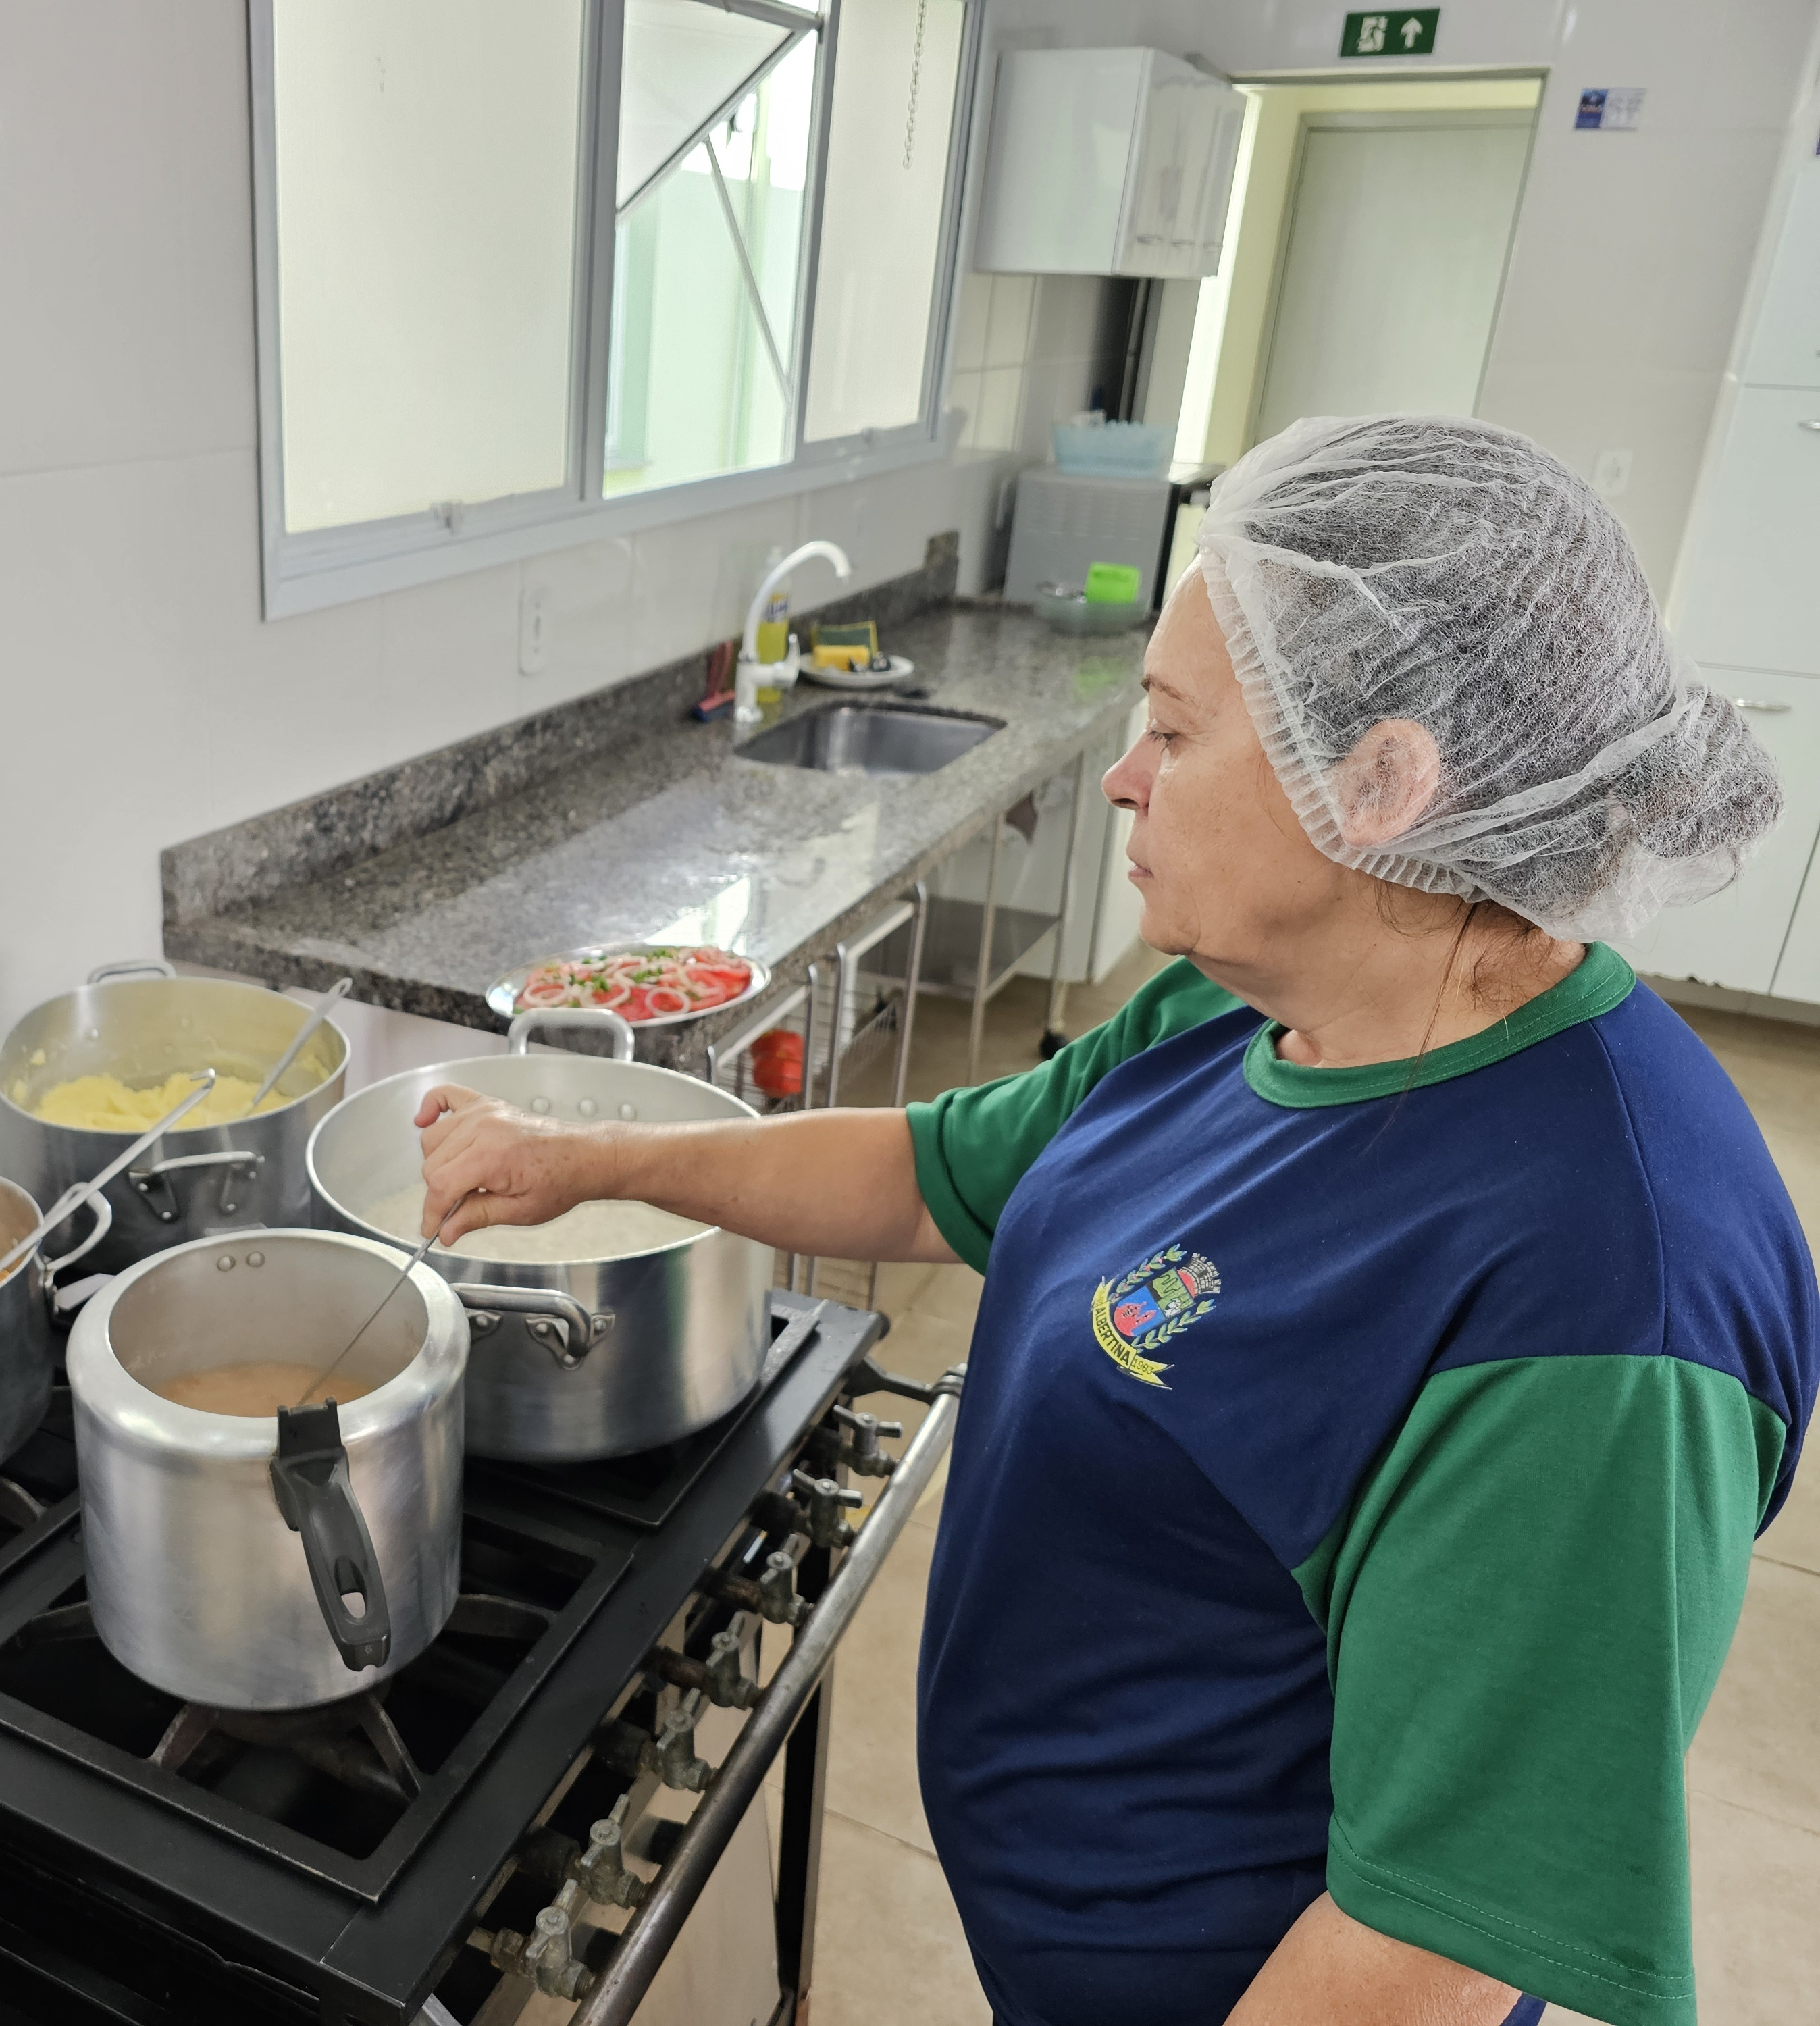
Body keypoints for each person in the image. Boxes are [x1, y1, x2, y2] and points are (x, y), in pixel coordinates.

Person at [409, 417, 1817, 2026]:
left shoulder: (1604, 1294)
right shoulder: (1246, 1007)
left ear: (1379, 783)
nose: (1121, 775)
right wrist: (589, 1154)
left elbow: (1423, 1943)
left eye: (1172, 729)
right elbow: (932, 1171)